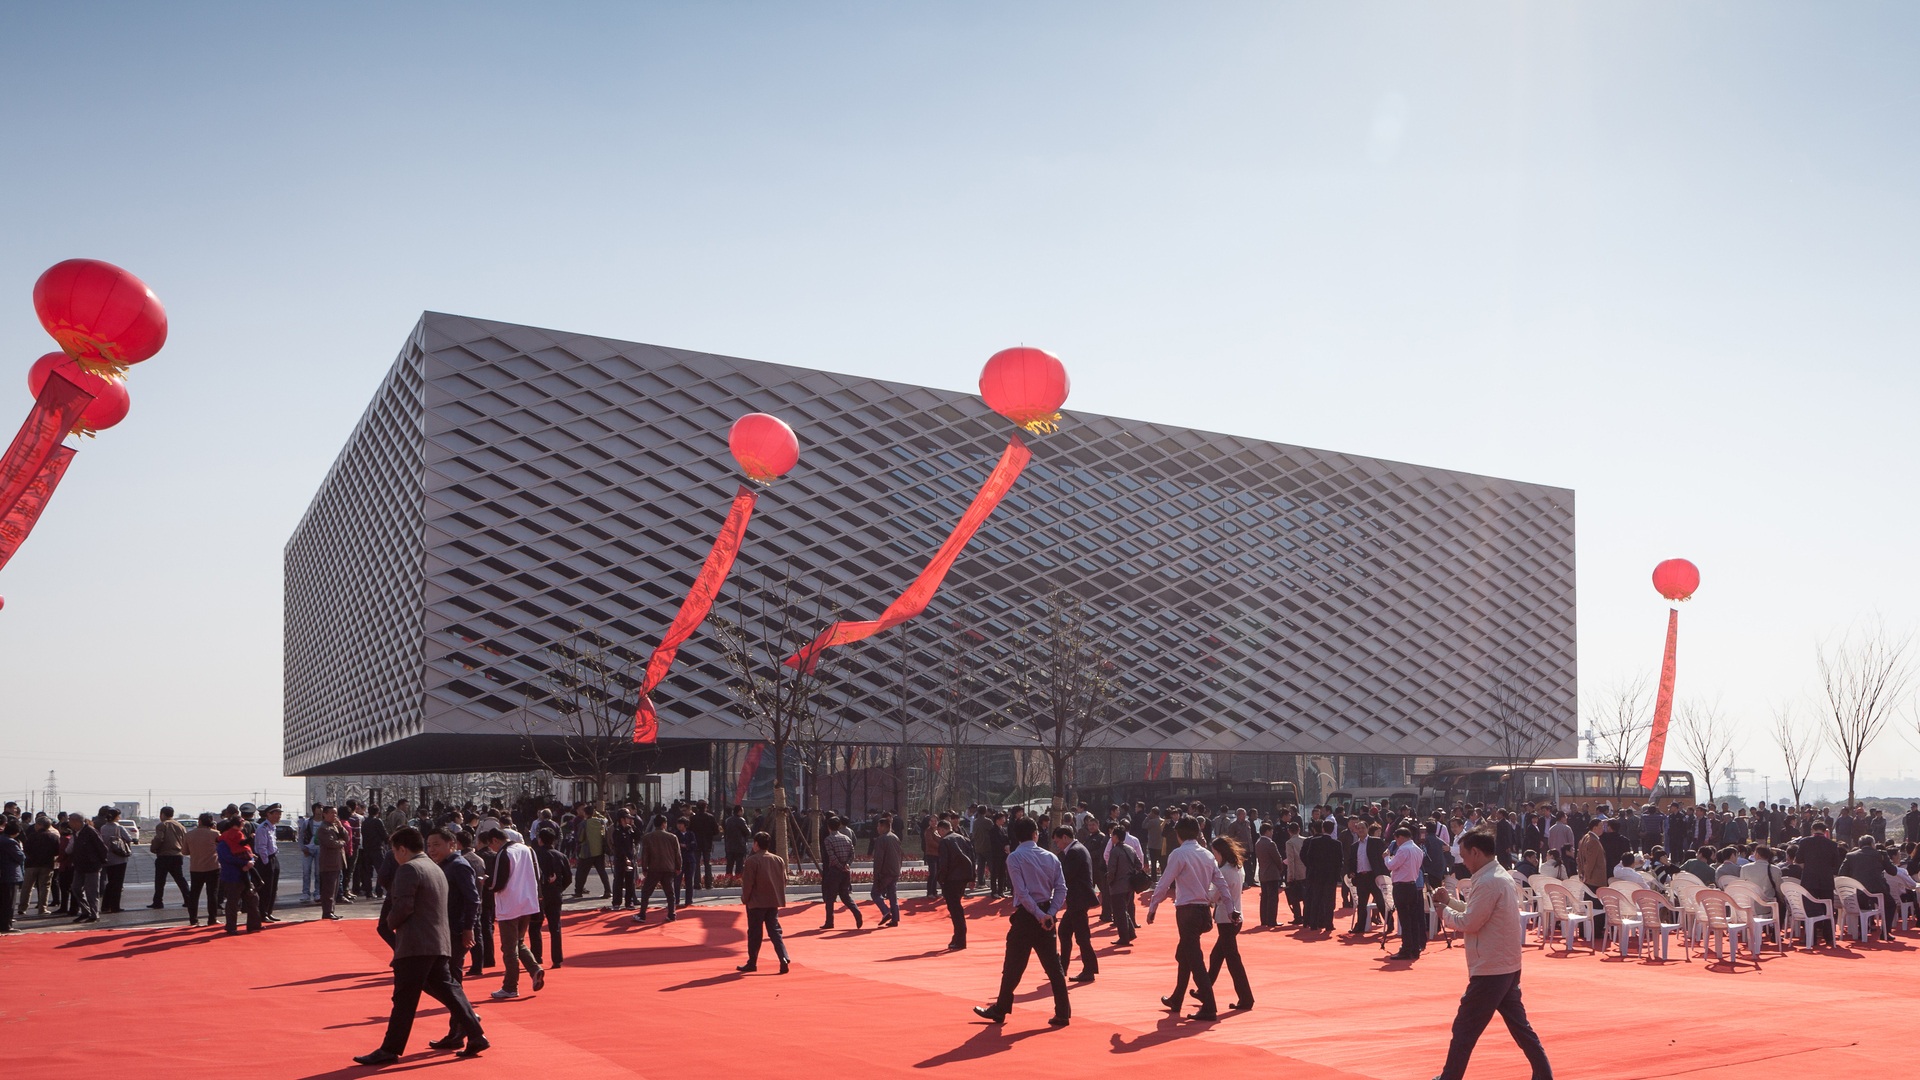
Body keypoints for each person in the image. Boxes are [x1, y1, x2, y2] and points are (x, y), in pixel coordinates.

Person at [354, 827, 487, 1066]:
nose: (395, 856)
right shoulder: (435, 868)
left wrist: (389, 923)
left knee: (404, 999)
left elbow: (403, 906)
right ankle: (475, 1033)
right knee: (448, 989)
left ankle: (390, 1049)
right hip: (438, 941)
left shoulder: (410, 869)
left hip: (416, 944)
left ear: (402, 849)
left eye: (394, 851)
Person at [1430, 829, 1553, 1080]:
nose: (1463, 861)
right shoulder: (1496, 876)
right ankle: (1543, 1075)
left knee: (1464, 1029)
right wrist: (1450, 904)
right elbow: (1476, 912)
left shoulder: (1488, 881)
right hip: (1504, 964)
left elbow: (1471, 921)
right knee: (1520, 1028)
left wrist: (1444, 911)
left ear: (1475, 852)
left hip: (1491, 968)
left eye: (1464, 855)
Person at [971, 817, 1070, 1027]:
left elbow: (1022, 892)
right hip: (1046, 913)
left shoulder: (1015, 858)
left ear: (1017, 837)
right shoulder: (1051, 857)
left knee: (1013, 965)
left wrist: (1039, 914)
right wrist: (1049, 913)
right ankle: (1063, 1012)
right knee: (1054, 967)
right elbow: (1061, 889)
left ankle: (1000, 1009)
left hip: (1027, 916)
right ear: (1035, 834)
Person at [1147, 817, 1226, 1021]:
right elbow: (1220, 882)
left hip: (1187, 912)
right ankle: (1177, 998)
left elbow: (1164, 882)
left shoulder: (1179, 854)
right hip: (1202, 910)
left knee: (1194, 959)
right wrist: (1232, 906)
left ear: (1178, 834)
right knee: (1185, 955)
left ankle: (1209, 1006)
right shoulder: (1207, 854)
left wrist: (1153, 906)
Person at [481, 827, 545, 999]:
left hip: (510, 905)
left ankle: (510, 986)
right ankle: (534, 969)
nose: (492, 849)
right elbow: (537, 875)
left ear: (495, 840)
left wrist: (486, 883)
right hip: (527, 902)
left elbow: (498, 883)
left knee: (509, 948)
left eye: (491, 845)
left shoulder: (504, 853)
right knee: (518, 942)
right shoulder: (527, 849)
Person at [1202, 835, 1252, 1010]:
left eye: (1214, 852)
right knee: (1217, 956)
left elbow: (1214, 895)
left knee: (1232, 960)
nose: (1214, 855)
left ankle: (1246, 998)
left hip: (1226, 918)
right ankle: (1205, 989)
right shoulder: (1237, 867)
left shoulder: (1224, 871)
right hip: (1236, 916)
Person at [737, 830, 791, 974]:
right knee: (775, 931)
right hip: (773, 901)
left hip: (756, 902)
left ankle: (752, 962)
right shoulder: (778, 859)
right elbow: (784, 880)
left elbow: (748, 884)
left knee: (755, 933)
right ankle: (783, 957)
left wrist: (745, 898)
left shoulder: (752, 861)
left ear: (756, 844)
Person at [1052, 825, 1099, 982]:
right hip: (1078, 899)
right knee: (1065, 931)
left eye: (1058, 841)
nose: (1057, 845)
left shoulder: (1074, 852)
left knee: (1082, 936)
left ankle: (1089, 969)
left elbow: (1066, 875)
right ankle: (1063, 966)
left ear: (1065, 837)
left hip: (1078, 899)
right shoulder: (1078, 849)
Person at [529, 829, 569, 968]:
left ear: (540, 840)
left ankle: (536, 957)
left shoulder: (534, 855)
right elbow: (568, 878)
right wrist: (559, 888)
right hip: (555, 894)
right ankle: (557, 959)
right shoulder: (561, 856)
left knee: (535, 926)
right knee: (555, 927)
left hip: (538, 894)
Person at [1388, 825, 1428, 960]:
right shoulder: (1417, 849)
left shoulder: (1403, 849)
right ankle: (1415, 948)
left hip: (1402, 887)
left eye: (1396, 839)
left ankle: (1406, 948)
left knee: (1405, 919)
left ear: (1401, 837)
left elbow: (1391, 865)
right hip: (1412, 886)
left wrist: (1386, 857)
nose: (1396, 842)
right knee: (1413, 919)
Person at [217, 818, 263, 934]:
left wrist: (250, 862)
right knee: (233, 903)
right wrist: (245, 863)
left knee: (253, 899)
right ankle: (231, 927)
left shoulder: (237, 839)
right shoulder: (223, 843)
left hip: (244, 875)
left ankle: (254, 925)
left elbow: (248, 853)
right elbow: (226, 858)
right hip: (232, 876)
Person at [934, 819, 976, 949]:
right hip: (963, 877)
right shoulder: (963, 839)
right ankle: (958, 937)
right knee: (957, 907)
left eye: (939, 831)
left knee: (955, 909)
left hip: (951, 878)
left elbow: (944, 863)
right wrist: (972, 877)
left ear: (942, 829)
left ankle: (960, 938)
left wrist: (941, 878)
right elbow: (972, 858)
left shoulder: (945, 842)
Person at [819, 816, 863, 929]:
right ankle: (856, 912)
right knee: (845, 895)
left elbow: (831, 856)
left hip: (835, 871)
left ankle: (829, 922)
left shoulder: (828, 840)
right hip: (846, 871)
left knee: (830, 897)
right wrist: (847, 864)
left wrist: (839, 866)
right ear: (839, 826)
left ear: (828, 827)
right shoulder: (846, 838)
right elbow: (852, 854)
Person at [636, 814, 681, 923]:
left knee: (646, 892)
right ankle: (671, 914)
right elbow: (677, 854)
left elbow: (645, 854)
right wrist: (678, 867)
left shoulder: (648, 837)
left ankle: (642, 914)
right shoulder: (672, 837)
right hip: (668, 868)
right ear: (664, 824)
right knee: (670, 893)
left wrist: (644, 868)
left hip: (654, 868)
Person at [1299, 819, 1342, 931]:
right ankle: (1329, 924)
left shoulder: (1314, 841)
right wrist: (1336, 875)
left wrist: (1312, 868)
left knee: (1316, 899)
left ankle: (1313, 923)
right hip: (1330, 876)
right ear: (1332, 830)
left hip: (1316, 875)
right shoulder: (1337, 844)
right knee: (1329, 901)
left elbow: (1308, 857)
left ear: (1323, 829)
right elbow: (1339, 862)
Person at [1104, 823, 1142, 946]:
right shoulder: (1129, 849)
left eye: (1112, 836)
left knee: (1119, 912)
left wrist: (1109, 881)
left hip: (1118, 885)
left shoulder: (1115, 851)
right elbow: (1139, 864)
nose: (1111, 838)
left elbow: (1112, 869)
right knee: (1123, 909)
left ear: (1116, 837)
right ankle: (1130, 933)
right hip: (1129, 884)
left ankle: (1124, 937)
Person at [147, 806, 190, 911]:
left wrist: (153, 848)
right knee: (180, 879)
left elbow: (159, 839)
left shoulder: (162, 825)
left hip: (164, 855)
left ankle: (158, 902)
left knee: (160, 880)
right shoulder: (180, 826)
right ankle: (188, 899)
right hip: (177, 855)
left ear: (162, 814)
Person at [314, 806, 349, 922]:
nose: (334, 816)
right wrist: (342, 842)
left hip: (337, 862)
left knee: (334, 889)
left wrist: (341, 827)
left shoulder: (334, 826)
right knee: (328, 889)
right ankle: (327, 912)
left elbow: (347, 837)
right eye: (332, 813)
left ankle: (331, 911)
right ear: (324, 814)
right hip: (328, 863)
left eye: (335, 813)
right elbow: (331, 843)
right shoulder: (323, 828)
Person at [870, 814, 903, 927]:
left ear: (884, 827)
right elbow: (900, 855)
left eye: (879, 826)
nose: (877, 828)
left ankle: (885, 911)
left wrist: (877, 873)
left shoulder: (881, 839)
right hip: (895, 870)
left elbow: (879, 858)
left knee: (875, 893)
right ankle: (895, 918)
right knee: (892, 895)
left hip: (885, 871)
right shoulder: (895, 837)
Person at [255, 804, 284, 921]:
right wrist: (266, 862)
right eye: (276, 814)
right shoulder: (263, 828)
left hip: (273, 857)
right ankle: (263, 913)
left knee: (273, 888)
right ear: (268, 814)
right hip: (265, 860)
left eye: (280, 814)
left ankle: (269, 911)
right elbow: (261, 847)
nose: (278, 816)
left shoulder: (272, 827)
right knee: (266, 888)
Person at [0, 820, 22, 933]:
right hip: (10, 874)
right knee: (9, 902)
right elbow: (20, 857)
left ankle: (3, 923)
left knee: (3, 901)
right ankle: (6, 925)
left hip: (3, 873)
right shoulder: (11, 842)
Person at [723, 805, 751, 880]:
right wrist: (749, 828)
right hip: (739, 846)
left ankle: (728, 880)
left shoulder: (728, 820)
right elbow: (748, 832)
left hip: (729, 846)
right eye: (742, 811)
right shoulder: (741, 820)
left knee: (729, 865)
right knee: (739, 866)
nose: (743, 812)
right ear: (739, 811)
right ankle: (737, 880)